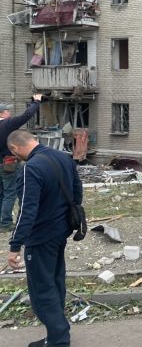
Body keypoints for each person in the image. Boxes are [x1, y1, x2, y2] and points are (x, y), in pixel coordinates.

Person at [6, 129, 82, 347]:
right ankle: (58, 333)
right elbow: (77, 193)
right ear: (34, 140)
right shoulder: (63, 157)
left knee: (41, 288)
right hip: (61, 231)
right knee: (56, 280)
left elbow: (27, 210)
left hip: (40, 236)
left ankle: (58, 340)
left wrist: (15, 245)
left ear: (15, 148)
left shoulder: (31, 168)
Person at [0, 94, 42, 233]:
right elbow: (26, 115)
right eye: (7, 110)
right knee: (10, 193)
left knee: (1, 193)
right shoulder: (7, 124)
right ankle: (5, 223)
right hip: (9, 164)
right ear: (2, 113)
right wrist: (36, 102)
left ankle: (2, 221)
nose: (9, 112)